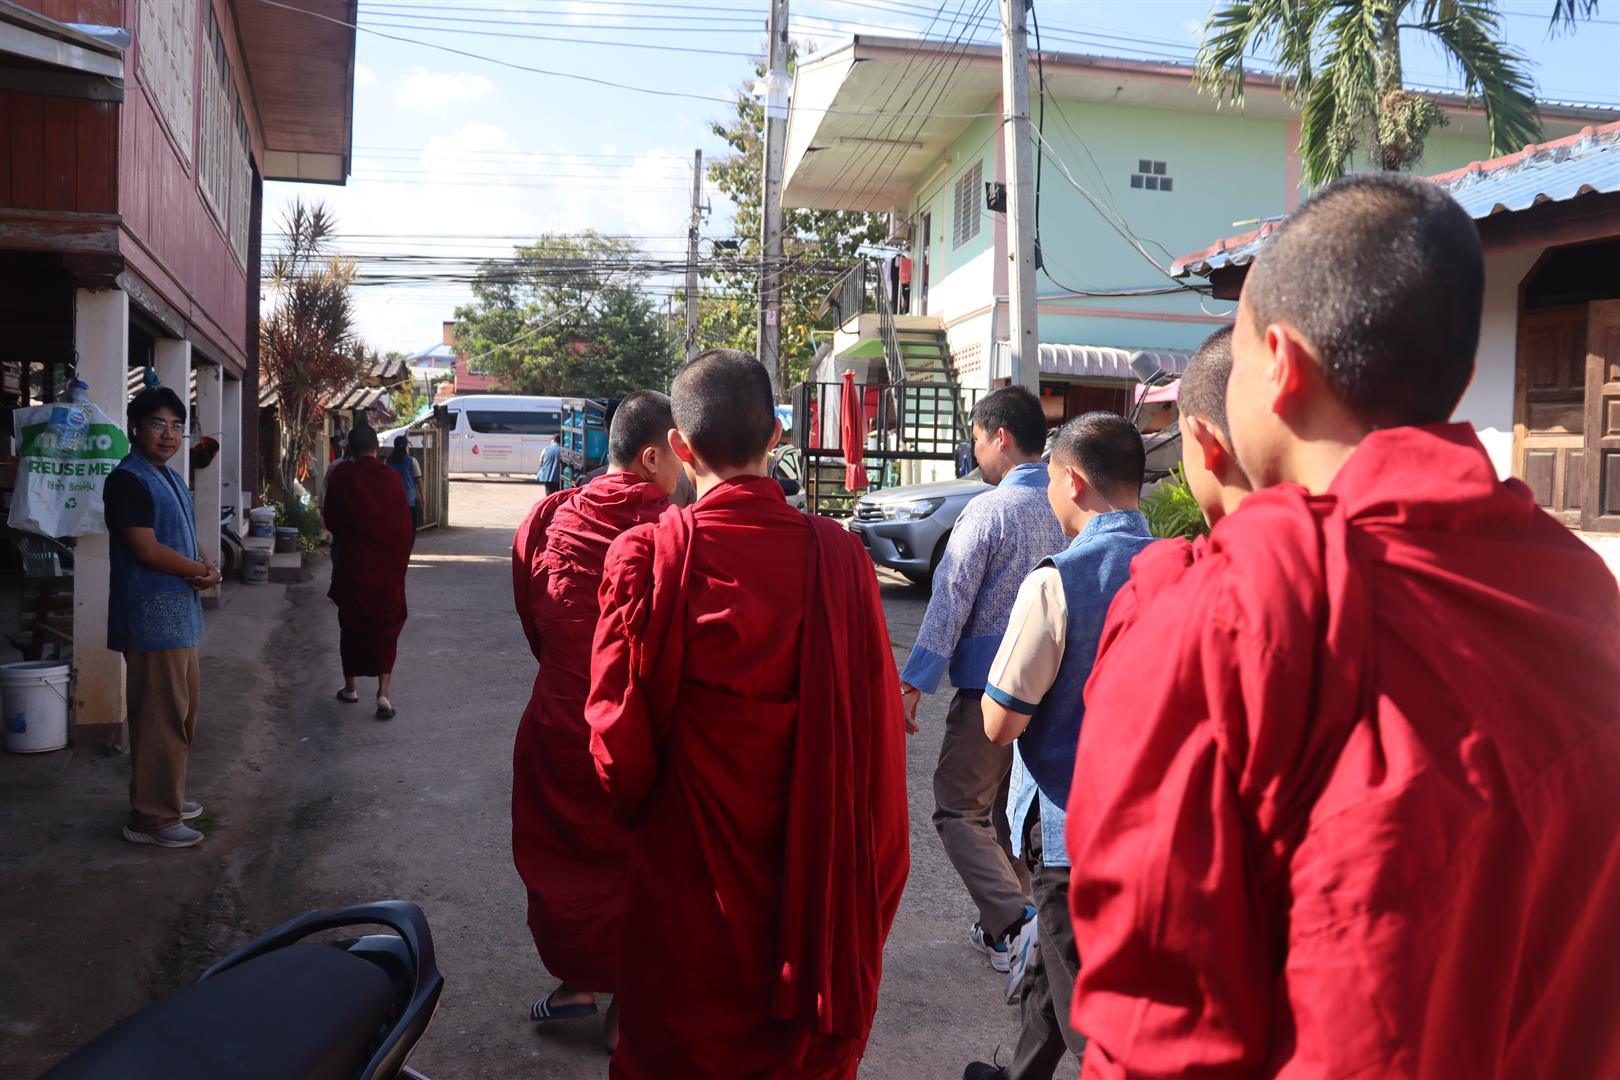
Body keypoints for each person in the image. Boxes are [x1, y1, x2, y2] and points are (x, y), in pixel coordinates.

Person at [1067, 173, 1620, 1078]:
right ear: (1461, 378)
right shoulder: (1577, 591)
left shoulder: (1230, 616)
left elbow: (1158, 1026)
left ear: (1280, 364)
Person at [587, 349, 909, 1079]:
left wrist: (640, 810)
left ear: (680, 447)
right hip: (811, 884)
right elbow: (876, 739)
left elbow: (615, 742)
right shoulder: (841, 558)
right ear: (777, 437)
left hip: (686, 881)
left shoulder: (646, 558)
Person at [962, 413, 1155, 1080]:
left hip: (1069, 825)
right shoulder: (1178, 566)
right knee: (1051, 969)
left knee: (1083, 1009)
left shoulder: (1058, 579)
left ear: (1072, 481)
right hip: (1147, 822)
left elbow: (1000, 723)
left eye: (1048, 479)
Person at [511, 391, 682, 1050]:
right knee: (639, 868)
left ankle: (577, 983)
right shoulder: (674, 530)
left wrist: (567, 681)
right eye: (678, 453)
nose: (685, 468)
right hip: (637, 733)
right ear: (651, 456)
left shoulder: (550, 516)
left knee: (564, 860)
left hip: (558, 720)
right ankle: (623, 1011)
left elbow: (532, 615)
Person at [899, 386, 1065, 975]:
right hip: (1054, 688)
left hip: (989, 690)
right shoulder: (1069, 502)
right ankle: (1007, 928)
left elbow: (950, 600)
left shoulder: (990, 510)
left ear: (1001, 437)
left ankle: (1016, 925)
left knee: (958, 808)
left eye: (976, 439)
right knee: (1010, 812)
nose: (974, 452)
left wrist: (916, 680)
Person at [105, 386, 222, 848]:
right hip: (150, 620)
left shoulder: (166, 475)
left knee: (181, 714)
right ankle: (153, 818)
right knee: (159, 719)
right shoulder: (127, 479)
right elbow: (146, 549)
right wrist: (198, 571)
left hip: (179, 618)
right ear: (134, 427)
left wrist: (206, 564)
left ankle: (164, 795)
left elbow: (183, 533)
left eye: (177, 426)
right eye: (158, 424)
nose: (169, 434)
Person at [322, 424, 414, 720]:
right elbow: (404, 527)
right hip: (387, 567)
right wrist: (398, 564)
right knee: (386, 627)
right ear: (376, 447)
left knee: (351, 625)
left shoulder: (341, 475)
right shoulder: (391, 479)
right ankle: (383, 694)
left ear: (349, 449)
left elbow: (330, 518)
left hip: (353, 564)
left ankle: (350, 688)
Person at [386, 435, 424, 530]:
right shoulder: (412, 461)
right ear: (406, 446)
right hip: (409, 501)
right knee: (410, 529)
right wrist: (423, 498)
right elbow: (419, 481)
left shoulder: (388, 461)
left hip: (392, 501)